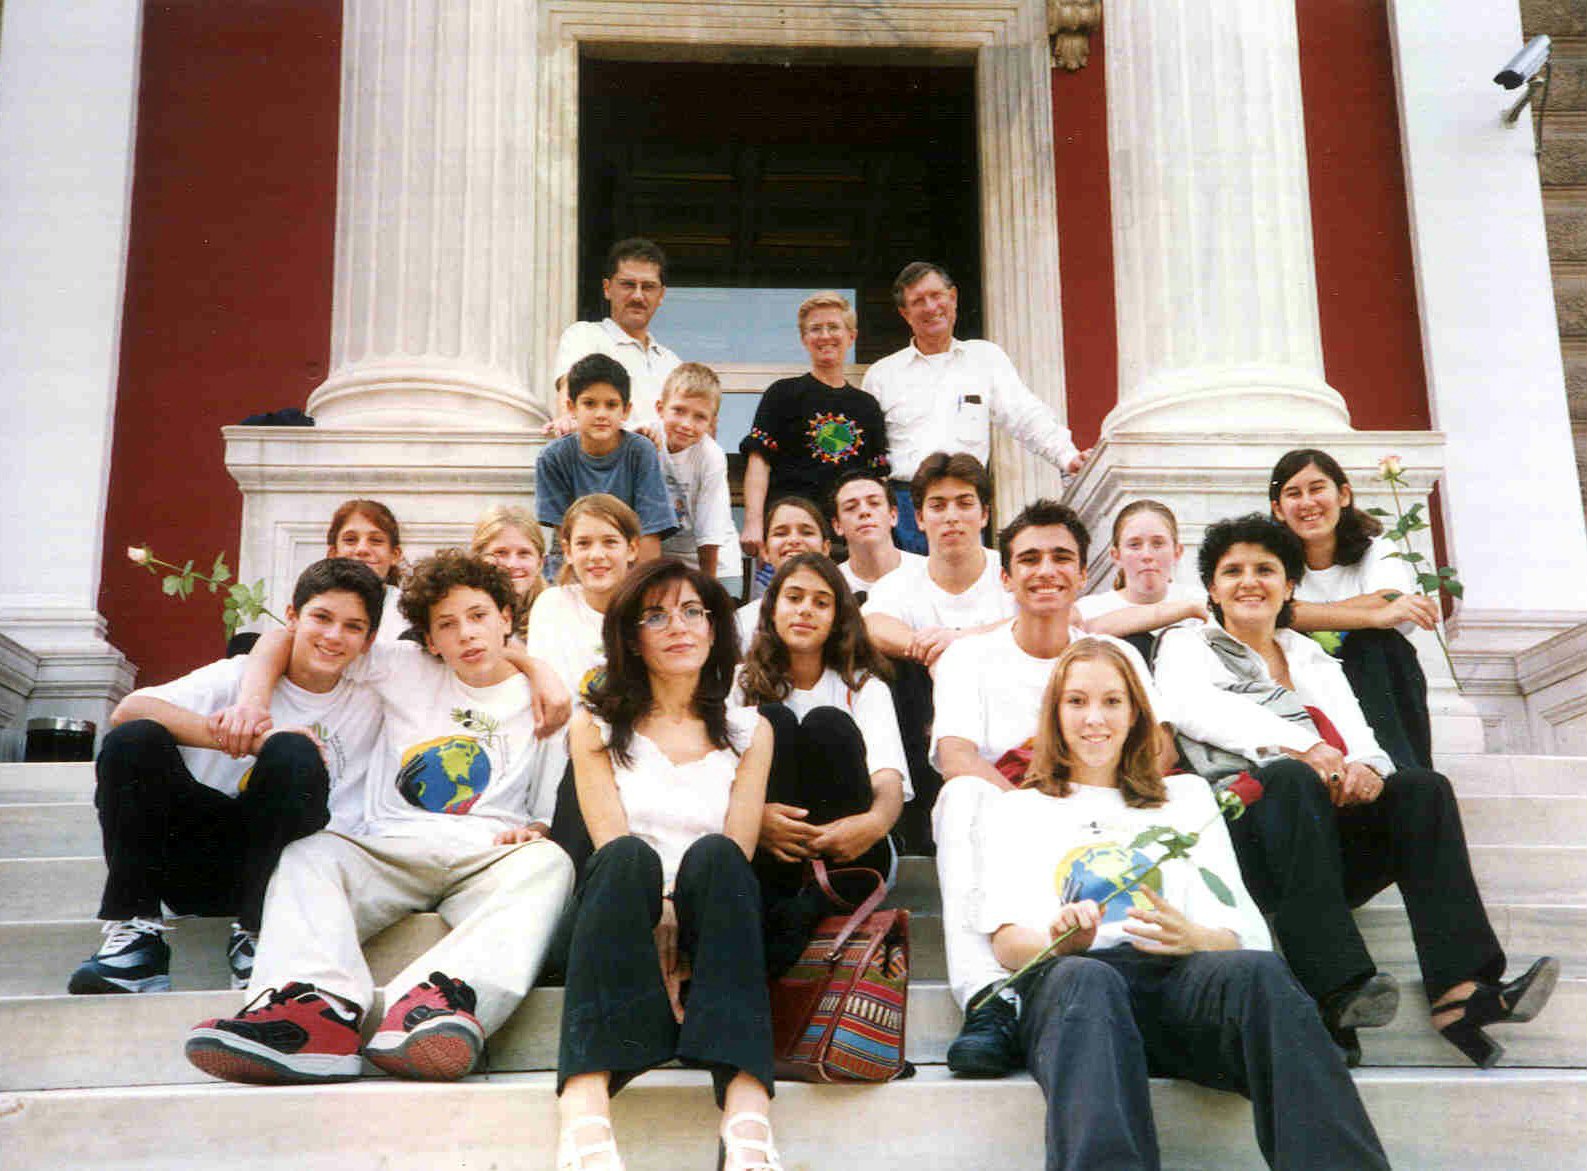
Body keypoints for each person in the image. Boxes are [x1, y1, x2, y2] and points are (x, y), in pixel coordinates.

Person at [1154, 514, 1558, 1068]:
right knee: (1290, 778)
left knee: (1421, 789)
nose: (1250, 581)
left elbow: (1365, 741)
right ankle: (1336, 989)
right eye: (1233, 571)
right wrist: (1303, 747)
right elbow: (1191, 708)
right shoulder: (1187, 645)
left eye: (1266, 569)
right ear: (1213, 589)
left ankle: (1461, 992)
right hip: (1245, 840)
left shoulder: (1311, 657)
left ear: (1289, 585)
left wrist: (1366, 770)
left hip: (1320, 846)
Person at [977, 638, 1390, 1170]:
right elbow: (1009, 945)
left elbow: (1242, 934)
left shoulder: (1187, 799)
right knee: (1088, 978)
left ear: (1135, 715)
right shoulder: (1020, 810)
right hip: (1076, 1000)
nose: (1094, 718)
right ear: (1054, 715)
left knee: (1259, 974)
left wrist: (1194, 938)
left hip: (1179, 987)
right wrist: (1064, 943)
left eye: (1112, 701)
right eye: (1076, 702)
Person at [185, 551, 575, 1085]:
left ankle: (438, 1004)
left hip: (486, 852)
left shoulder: (547, 699)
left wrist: (537, 829)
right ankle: (315, 1012)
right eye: (446, 625)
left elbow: (550, 803)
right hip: (389, 845)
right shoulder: (403, 667)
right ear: (430, 640)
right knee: (308, 854)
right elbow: (283, 636)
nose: (466, 634)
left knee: (550, 864)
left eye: (479, 616)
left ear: (507, 617)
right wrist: (253, 702)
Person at [69, 558, 387, 995]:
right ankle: (135, 940)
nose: (334, 636)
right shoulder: (237, 676)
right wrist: (248, 738)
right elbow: (128, 710)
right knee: (132, 741)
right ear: (292, 618)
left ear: (368, 641)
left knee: (293, 752)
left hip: (284, 874)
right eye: (322, 617)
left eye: (352, 627)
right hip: (198, 864)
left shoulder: (372, 697)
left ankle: (258, 938)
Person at [929, 500, 1169, 1077]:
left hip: (1099, 803)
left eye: (1062, 557)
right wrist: (1030, 810)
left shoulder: (1118, 656)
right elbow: (956, 753)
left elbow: (1157, 750)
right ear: (1006, 577)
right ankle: (989, 996)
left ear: (1083, 575)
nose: (1046, 570)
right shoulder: (970, 656)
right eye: (1029, 559)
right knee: (959, 796)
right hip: (1005, 807)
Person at [557, 559, 780, 1171]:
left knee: (719, 858)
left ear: (713, 628)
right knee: (626, 860)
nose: (678, 627)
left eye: (691, 612)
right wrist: (660, 914)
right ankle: (583, 1111)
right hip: (623, 915)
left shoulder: (749, 730)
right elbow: (609, 839)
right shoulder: (595, 725)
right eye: (655, 615)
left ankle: (747, 1113)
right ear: (631, 636)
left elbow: (738, 847)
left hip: (719, 912)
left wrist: (682, 917)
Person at [735, 552, 908, 973]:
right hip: (771, 848)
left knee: (828, 723)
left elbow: (888, 781)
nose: (805, 611)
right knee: (772, 719)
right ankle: (788, 902)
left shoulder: (864, 685)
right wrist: (754, 817)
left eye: (821, 601)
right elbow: (715, 780)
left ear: (837, 617)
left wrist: (871, 825)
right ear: (772, 608)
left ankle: (817, 901)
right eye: (793, 598)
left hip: (851, 849)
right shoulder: (739, 685)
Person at [862, 262, 1090, 553]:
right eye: (918, 301)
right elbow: (868, 454)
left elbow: (1025, 415)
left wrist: (1067, 456)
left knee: (964, 590)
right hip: (905, 506)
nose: (930, 307)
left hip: (965, 499)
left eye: (936, 295)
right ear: (905, 313)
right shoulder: (882, 375)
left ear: (953, 297)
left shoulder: (985, 358)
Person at [862, 453, 1012, 850]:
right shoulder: (901, 582)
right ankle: (913, 829)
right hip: (925, 715)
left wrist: (958, 641)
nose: (951, 516)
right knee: (887, 669)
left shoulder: (1011, 572)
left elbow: (1051, 619)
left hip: (1006, 714)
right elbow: (872, 624)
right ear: (920, 519)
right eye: (938, 505)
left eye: (964, 503)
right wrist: (928, 649)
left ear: (984, 515)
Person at [1269, 448, 1436, 771]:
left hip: (1372, 674)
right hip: (1304, 682)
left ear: (1343, 495)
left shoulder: (1377, 549)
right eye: (1293, 493)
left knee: (1377, 644)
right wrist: (1373, 615)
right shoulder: (1272, 561)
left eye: (1317, 489)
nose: (1307, 503)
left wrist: (1305, 613)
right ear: (1278, 509)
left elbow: (1390, 599)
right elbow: (1277, 613)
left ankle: (1401, 769)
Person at [740, 291, 889, 560]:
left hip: (848, 537)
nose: (825, 336)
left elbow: (877, 480)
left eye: (833, 327)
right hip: (792, 533)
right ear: (804, 339)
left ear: (851, 336)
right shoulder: (782, 394)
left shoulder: (867, 406)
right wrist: (752, 522)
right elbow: (759, 462)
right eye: (815, 329)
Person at [535, 353, 678, 566]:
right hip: (575, 567)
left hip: (630, 570)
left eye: (611, 405)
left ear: (626, 410)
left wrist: (636, 591)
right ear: (572, 407)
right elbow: (566, 536)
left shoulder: (640, 452)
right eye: (590, 404)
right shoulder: (553, 458)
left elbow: (650, 534)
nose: (601, 414)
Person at [548, 237, 679, 434]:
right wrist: (566, 418)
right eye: (628, 284)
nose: (638, 296)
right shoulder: (584, 335)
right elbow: (569, 388)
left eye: (648, 287)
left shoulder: (673, 364)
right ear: (607, 288)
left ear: (661, 295)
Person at [1074, 500, 1206, 660]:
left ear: (1177, 552)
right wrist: (1189, 609)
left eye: (1158, 544)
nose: (1147, 555)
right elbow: (1086, 631)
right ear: (1116, 556)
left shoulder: (1198, 597)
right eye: (1134, 545)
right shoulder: (1090, 608)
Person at [657, 362, 742, 584]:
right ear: (660, 408)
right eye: (679, 410)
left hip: (715, 562)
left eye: (699, 417)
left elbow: (710, 531)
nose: (687, 424)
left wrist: (708, 591)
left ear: (712, 423)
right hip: (665, 558)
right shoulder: (644, 438)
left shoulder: (710, 456)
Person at [734, 495, 831, 647]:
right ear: (765, 551)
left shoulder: (846, 612)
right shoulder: (742, 623)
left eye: (806, 532)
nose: (793, 540)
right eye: (781, 533)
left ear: (825, 548)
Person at [826, 470, 923, 603]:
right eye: (851, 507)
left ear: (893, 516)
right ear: (837, 525)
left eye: (874, 503)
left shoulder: (928, 572)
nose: (864, 512)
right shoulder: (829, 585)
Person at [325, 498, 407, 643]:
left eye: (376, 540)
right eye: (350, 540)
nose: (362, 549)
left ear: (395, 555)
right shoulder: (316, 604)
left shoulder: (412, 611)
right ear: (333, 553)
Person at [472, 504, 547, 640]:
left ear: (540, 562)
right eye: (501, 553)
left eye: (524, 553)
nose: (512, 564)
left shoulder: (557, 613)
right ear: (478, 558)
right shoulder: (461, 614)